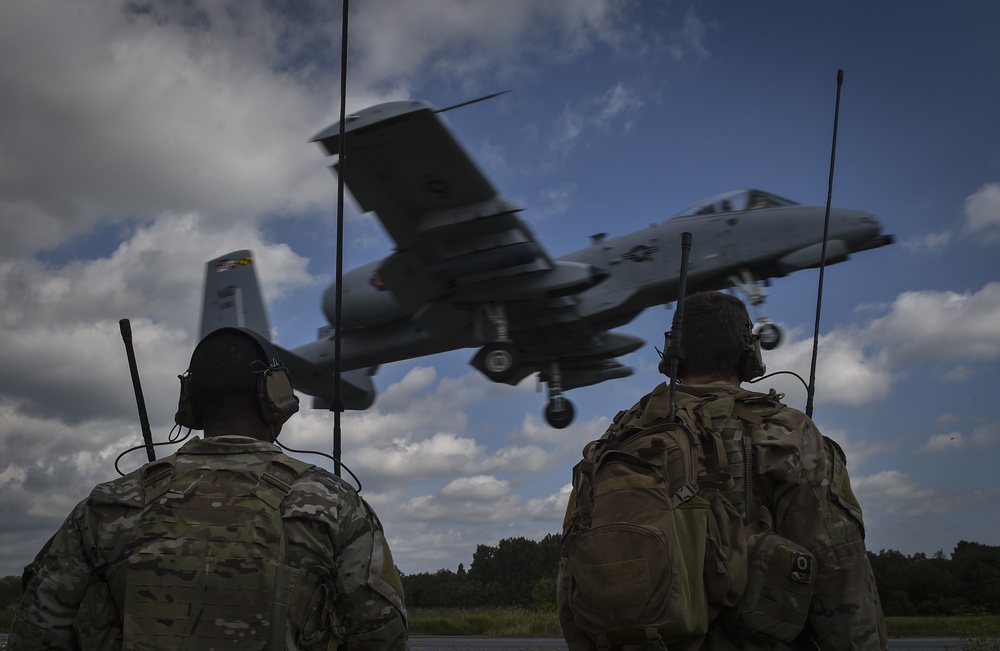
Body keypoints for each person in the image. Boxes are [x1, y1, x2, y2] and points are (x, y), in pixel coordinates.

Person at [8, 327, 408, 650]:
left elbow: (36, 632)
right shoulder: (335, 506)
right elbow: (382, 636)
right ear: (277, 398)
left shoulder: (106, 508)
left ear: (190, 403)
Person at [560, 291, 887, 651]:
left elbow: (573, 577)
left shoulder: (616, 441)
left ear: (672, 354)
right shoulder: (784, 433)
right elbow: (841, 575)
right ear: (748, 353)